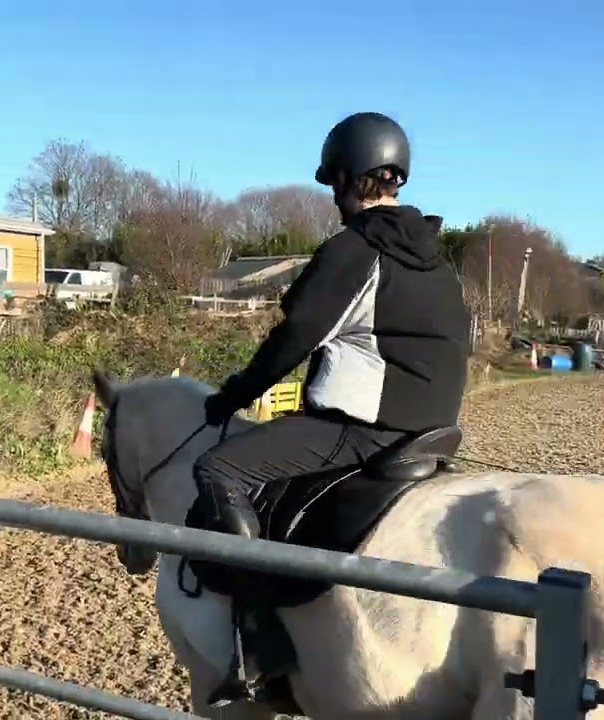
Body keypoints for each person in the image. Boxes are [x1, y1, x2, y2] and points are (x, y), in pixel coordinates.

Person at [192, 111, 472, 540]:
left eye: (333, 182)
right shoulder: (435, 260)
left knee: (218, 468)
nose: (332, 197)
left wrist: (233, 396)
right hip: (435, 427)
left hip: (368, 429)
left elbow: (295, 337)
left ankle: (250, 594)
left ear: (346, 177)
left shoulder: (356, 248)